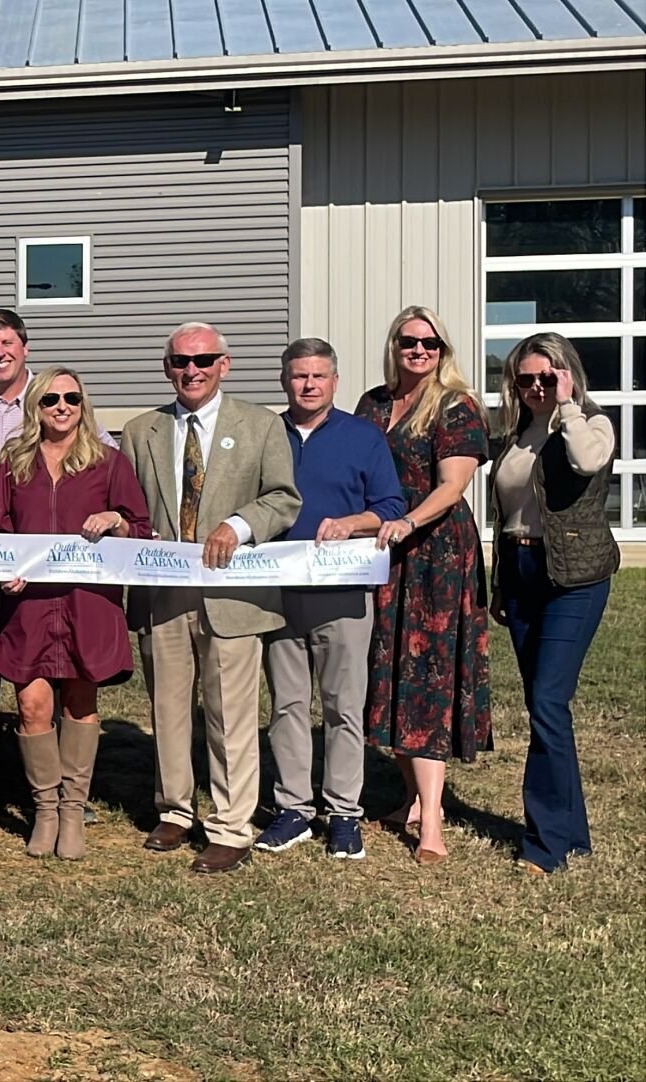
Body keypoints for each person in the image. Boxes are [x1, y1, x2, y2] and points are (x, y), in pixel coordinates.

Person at [122, 322, 300, 874]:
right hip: (165, 592)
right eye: (180, 362)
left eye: (202, 360)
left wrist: (240, 526)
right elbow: (129, 505)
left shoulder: (262, 425)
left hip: (233, 594)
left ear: (224, 364)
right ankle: (175, 810)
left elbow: (283, 498)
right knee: (168, 708)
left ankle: (229, 825)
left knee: (230, 715)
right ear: (166, 367)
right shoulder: (140, 430)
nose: (191, 371)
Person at [0, 309, 114, 812]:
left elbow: (97, 461)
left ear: (25, 347)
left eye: (8, 343)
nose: (0, 353)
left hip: (55, 578)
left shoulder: (56, 397)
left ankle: (63, 792)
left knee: (60, 678)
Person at [0, 367, 149, 860]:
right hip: (29, 605)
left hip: (87, 604)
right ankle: (45, 810)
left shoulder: (109, 462)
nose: (61, 406)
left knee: (80, 702)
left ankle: (73, 809)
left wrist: (116, 519)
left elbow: (141, 529)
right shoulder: (14, 463)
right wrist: (2, 566)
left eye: (71, 398)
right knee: (33, 706)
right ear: (36, 406)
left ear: (83, 404)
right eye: (51, 398)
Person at [255, 339, 404, 860]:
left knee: (343, 707)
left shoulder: (363, 437)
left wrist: (353, 523)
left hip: (343, 593)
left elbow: (389, 504)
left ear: (335, 382)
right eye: (299, 376)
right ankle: (293, 808)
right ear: (284, 380)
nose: (309, 385)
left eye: (319, 376)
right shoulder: (265, 433)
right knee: (288, 705)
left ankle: (343, 813)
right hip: (277, 592)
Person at [358, 305, 492, 865]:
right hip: (383, 552)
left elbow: (452, 486)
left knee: (427, 678)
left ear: (443, 350)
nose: (419, 350)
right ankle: (411, 798)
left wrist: (409, 522)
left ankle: (432, 821)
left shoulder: (457, 405)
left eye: (430, 343)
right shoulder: (374, 403)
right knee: (388, 669)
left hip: (437, 553)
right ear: (395, 345)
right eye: (410, 341)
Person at [490, 332, 617, 875]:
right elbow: (508, 514)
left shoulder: (591, 422)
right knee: (546, 709)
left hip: (575, 577)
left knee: (547, 702)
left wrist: (567, 404)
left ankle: (545, 846)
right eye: (527, 378)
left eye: (548, 375)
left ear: (567, 374)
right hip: (521, 575)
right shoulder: (515, 434)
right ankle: (574, 834)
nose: (537, 386)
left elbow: (587, 463)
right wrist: (499, 582)